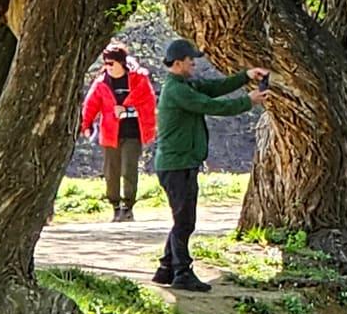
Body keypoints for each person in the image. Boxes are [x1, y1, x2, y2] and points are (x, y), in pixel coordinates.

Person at [153, 38, 268, 292]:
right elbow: (211, 105)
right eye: (191, 59)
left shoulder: (186, 83)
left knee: (181, 217)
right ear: (179, 62)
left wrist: (245, 76)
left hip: (182, 162)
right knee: (184, 220)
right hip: (176, 164)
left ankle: (165, 268)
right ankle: (182, 272)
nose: (194, 63)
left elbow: (215, 88)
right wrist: (248, 101)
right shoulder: (177, 90)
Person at [80, 42, 157, 222]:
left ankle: (128, 206)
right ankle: (115, 205)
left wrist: (127, 111)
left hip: (133, 132)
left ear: (121, 63)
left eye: (111, 64)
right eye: (105, 63)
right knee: (111, 171)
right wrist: (86, 124)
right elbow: (91, 104)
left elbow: (148, 104)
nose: (108, 67)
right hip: (110, 132)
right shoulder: (101, 83)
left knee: (129, 169)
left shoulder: (139, 80)